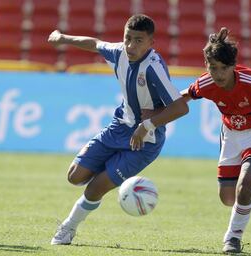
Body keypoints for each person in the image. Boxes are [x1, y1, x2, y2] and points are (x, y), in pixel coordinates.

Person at [47, 14, 189, 245]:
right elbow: (94, 44)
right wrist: (63, 38)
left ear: (151, 43)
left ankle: (68, 227)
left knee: (95, 188)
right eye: (128, 38)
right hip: (118, 128)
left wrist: (148, 125)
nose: (131, 45)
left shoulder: (153, 68)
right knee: (75, 176)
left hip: (145, 141)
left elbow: (181, 107)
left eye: (139, 41)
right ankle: (108, 171)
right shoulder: (119, 52)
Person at [182, 27, 251, 254]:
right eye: (213, 68)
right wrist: (156, 112)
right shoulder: (206, 83)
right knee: (228, 198)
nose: (219, 74)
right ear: (206, 66)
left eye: (224, 68)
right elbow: (184, 96)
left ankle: (232, 238)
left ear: (233, 66)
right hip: (231, 134)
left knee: (245, 187)